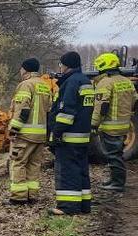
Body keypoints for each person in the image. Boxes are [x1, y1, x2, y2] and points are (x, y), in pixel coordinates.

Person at [48, 51, 94, 215]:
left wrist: (56, 133)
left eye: (61, 64)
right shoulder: (86, 81)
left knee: (68, 171)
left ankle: (67, 207)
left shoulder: (71, 82)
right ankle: (84, 205)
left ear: (66, 65)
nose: (60, 67)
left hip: (69, 136)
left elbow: (66, 112)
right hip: (83, 136)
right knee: (81, 169)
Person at [6, 58, 53, 205]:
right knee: (34, 164)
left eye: (21, 69)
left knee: (18, 163)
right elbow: (50, 110)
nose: (20, 71)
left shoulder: (26, 85)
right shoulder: (45, 86)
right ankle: (32, 195)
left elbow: (22, 110)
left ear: (25, 69)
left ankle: (18, 197)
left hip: (25, 134)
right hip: (40, 135)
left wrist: (14, 129)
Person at [91, 53, 138, 192]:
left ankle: (117, 183)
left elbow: (101, 106)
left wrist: (93, 124)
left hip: (111, 126)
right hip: (124, 125)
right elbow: (135, 100)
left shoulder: (105, 82)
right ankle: (115, 180)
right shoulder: (126, 81)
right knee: (117, 154)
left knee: (112, 155)